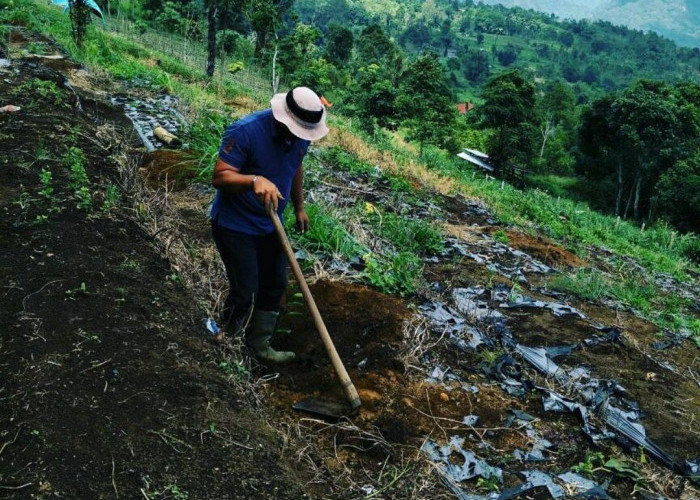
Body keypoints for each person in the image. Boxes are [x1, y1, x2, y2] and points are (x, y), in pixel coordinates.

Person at [210, 87, 329, 363]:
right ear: (283, 118)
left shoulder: (301, 136)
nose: (301, 137)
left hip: (270, 224)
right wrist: (254, 180)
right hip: (235, 225)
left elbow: (295, 166)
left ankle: (258, 346)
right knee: (245, 290)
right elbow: (219, 176)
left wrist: (299, 207)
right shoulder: (246, 131)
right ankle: (226, 342)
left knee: (275, 284)